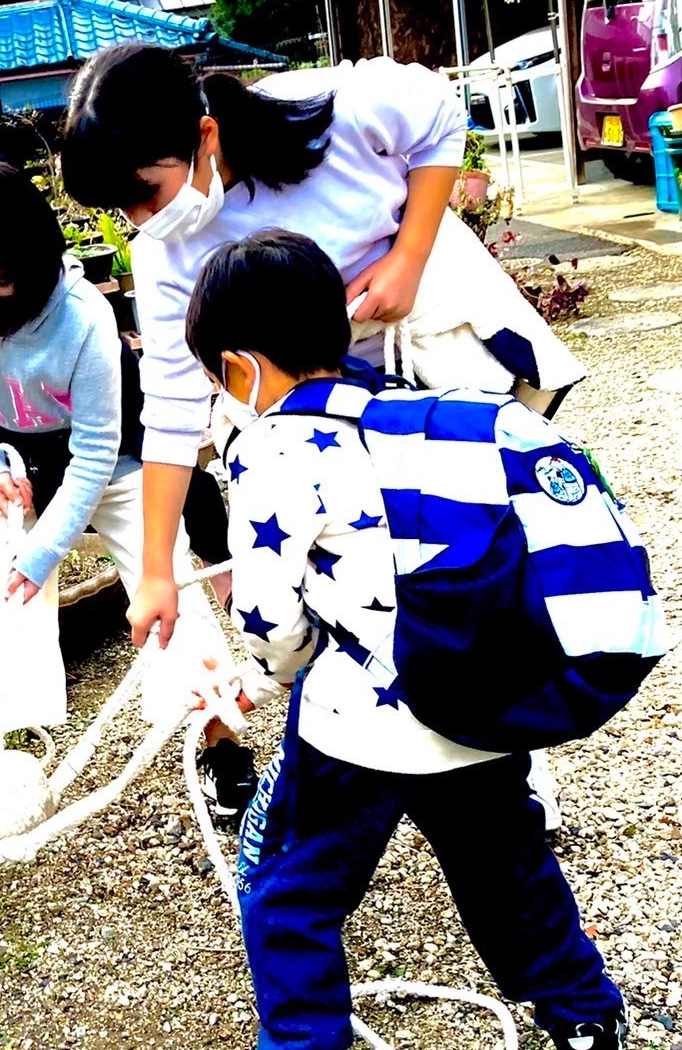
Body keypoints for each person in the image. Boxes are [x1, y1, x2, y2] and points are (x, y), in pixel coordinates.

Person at [60, 43, 578, 824]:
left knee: (470, 553)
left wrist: (409, 254)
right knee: (370, 572)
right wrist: (160, 571)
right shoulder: (164, 257)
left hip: (418, 351)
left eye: (148, 192)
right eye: (122, 208)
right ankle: (414, 733)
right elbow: (169, 411)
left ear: (205, 134)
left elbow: (438, 113)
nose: (143, 219)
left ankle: (507, 752)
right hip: (309, 414)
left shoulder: (329, 111)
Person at [183, 229, 624, 1050]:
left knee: (292, 884)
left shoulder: (270, 449)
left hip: (353, 729)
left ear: (238, 367)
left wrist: (273, 679)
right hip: (472, 708)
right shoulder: (424, 414)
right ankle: (585, 1020)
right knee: (507, 868)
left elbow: (268, 618)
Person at [0, 159, 252, 804]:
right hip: (23, 469)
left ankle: (221, 740)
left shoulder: (81, 314)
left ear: (37, 260)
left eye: (2, 281)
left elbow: (98, 449)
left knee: (165, 579)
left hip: (120, 461)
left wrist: (46, 554)